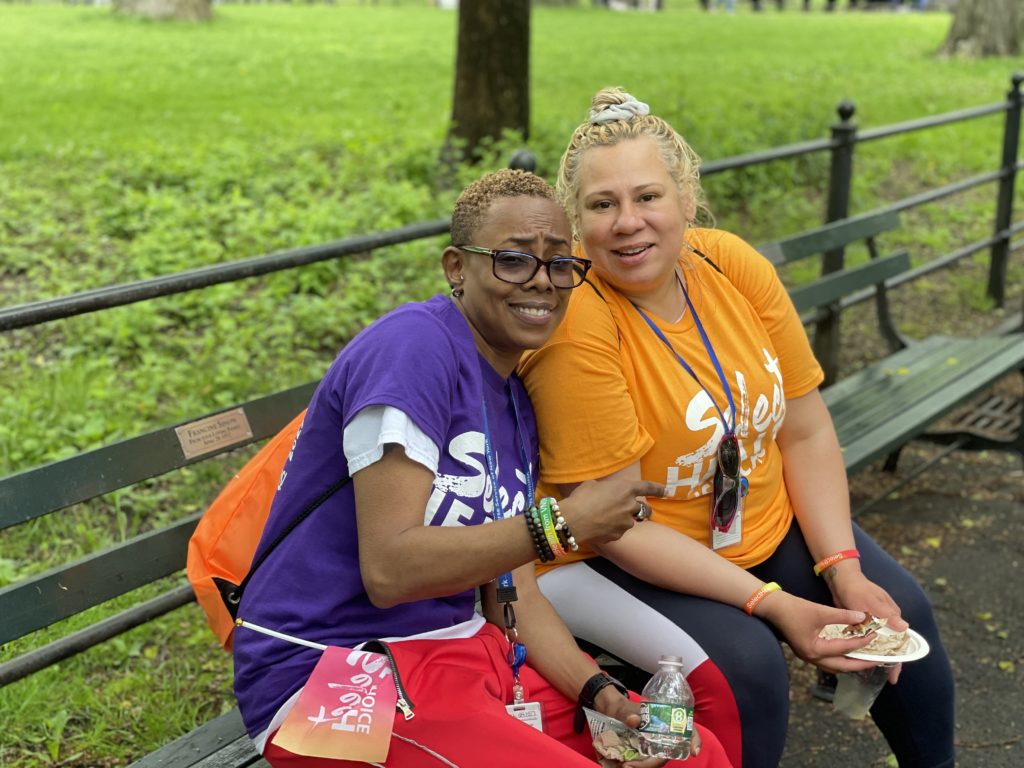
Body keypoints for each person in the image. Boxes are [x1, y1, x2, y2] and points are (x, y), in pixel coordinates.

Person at [232, 169, 734, 768]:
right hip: (331, 675)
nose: (542, 282)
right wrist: (561, 525)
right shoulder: (412, 350)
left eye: (559, 263)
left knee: (687, 752)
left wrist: (601, 694)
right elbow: (389, 570)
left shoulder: (514, 398)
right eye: (514, 260)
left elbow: (512, 593)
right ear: (455, 267)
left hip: (459, 657)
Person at [518, 89, 956, 768]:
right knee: (747, 668)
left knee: (898, 610)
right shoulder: (580, 321)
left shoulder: (729, 263)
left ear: (686, 198)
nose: (627, 223)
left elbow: (804, 430)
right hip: (606, 553)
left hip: (746, 522)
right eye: (602, 205)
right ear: (578, 222)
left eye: (648, 197)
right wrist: (772, 603)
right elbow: (617, 522)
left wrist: (842, 569)